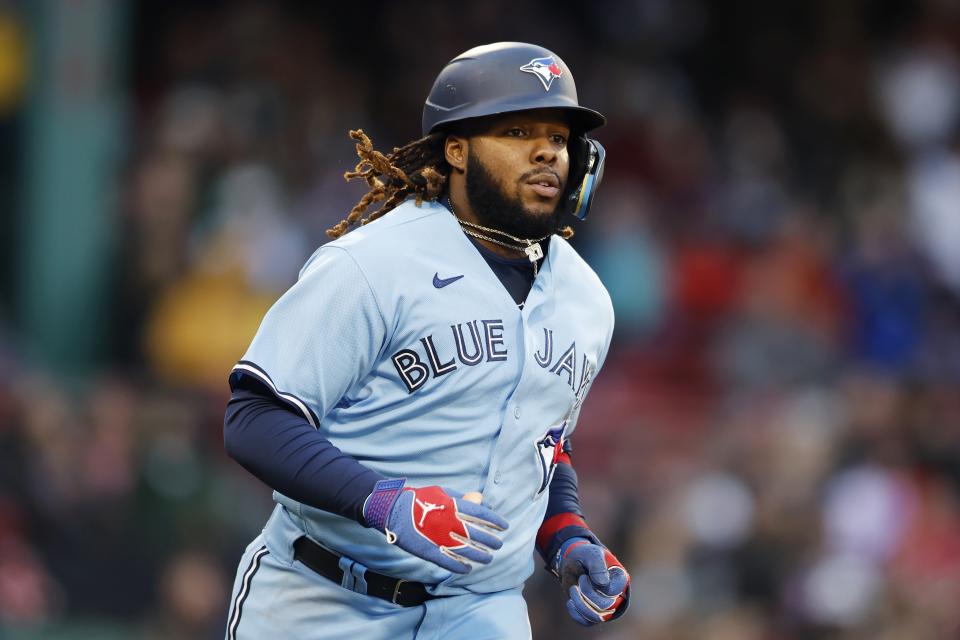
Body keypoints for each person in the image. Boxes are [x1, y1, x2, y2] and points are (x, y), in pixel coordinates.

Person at [222, 41, 630, 639]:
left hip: (479, 610)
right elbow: (254, 416)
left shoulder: (587, 300)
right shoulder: (372, 264)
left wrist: (567, 533)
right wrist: (384, 502)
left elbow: (540, 444)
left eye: (560, 136)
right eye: (518, 131)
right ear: (456, 149)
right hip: (323, 596)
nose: (548, 150)